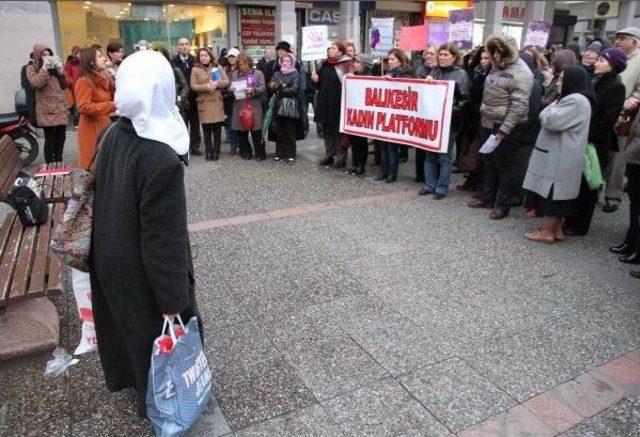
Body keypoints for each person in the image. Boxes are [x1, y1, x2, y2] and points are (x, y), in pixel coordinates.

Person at [91, 50, 201, 419]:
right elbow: (163, 241)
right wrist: (174, 301)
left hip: (111, 252)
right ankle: (162, 406)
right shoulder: (161, 158)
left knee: (130, 331)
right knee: (157, 335)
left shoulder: (112, 133)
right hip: (141, 266)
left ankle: (140, 389)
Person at [522, 65, 593, 243]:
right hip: (565, 154)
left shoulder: (575, 100)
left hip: (559, 155)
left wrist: (548, 108)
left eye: (562, 79)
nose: (559, 82)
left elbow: (551, 120)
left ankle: (546, 232)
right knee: (561, 197)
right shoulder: (579, 99)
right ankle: (557, 230)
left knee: (552, 195)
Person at [467, 35, 533, 220]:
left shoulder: (521, 72)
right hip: (488, 120)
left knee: (504, 166)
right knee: (488, 162)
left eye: (498, 52)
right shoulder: (496, 68)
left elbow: (519, 105)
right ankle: (487, 197)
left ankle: (502, 205)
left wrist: (505, 129)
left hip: (507, 126)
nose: (494, 56)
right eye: (492, 51)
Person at [565, 48, 626, 236]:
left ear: (613, 65)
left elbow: (607, 119)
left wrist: (586, 133)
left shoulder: (616, 86)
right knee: (577, 180)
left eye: (602, 60)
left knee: (589, 183)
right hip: (583, 136)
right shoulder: (594, 79)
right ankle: (570, 218)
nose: (597, 62)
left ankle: (580, 225)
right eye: (598, 59)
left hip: (596, 142)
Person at [419, 43, 469, 199]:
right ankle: (429, 185)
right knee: (430, 155)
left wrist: (451, 109)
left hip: (449, 121)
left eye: (446, 55)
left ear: (454, 57)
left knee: (444, 156)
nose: (442, 58)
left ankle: (441, 188)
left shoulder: (460, 74)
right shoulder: (433, 72)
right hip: (432, 119)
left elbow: (465, 99)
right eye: (440, 54)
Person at [603, 27, 640, 213]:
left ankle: (612, 195)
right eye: (616, 38)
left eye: (622, 38)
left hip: (625, 117)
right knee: (602, 152)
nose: (617, 42)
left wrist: (623, 104)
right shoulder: (612, 56)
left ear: (634, 42)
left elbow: (639, 93)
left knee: (617, 158)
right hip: (606, 112)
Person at [375, 48, 413, 183]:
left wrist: (393, 81)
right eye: (389, 59)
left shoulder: (407, 74)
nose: (389, 62)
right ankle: (383, 171)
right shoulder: (389, 72)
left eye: (392, 59)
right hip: (386, 114)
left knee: (391, 146)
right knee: (383, 144)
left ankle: (392, 173)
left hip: (397, 116)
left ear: (400, 60)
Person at [312, 41, 353, 168]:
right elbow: (318, 84)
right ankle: (329, 154)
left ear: (340, 51)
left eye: (333, 48)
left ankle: (341, 157)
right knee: (327, 129)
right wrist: (314, 78)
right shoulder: (324, 64)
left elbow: (351, 84)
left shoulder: (347, 64)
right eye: (330, 48)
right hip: (325, 102)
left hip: (339, 103)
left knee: (339, 131)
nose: (330, 50)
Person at [75, 46, 116, 170]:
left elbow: (116, 94)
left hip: (104, 124)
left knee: (106, 164)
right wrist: (112, 105)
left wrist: (110, 75)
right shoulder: (83, 81)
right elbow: (84, 107)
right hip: (91, 129)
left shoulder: (102, 78)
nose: (104, 59)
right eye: (100, 56)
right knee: (95, 165)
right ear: (91, 62)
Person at [27, 44, 68, 163]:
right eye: (43, 55)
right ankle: (50, 165)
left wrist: (61, 72)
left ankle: (59, 162)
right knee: (50, 139)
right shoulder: (31, 68)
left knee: (61, 138)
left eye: (49, 54)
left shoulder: (54, 68)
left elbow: (65, 85)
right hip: (46, 110)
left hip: (60, 108)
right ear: (37, 56)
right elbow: (36, 83)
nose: (47, 57)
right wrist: (44, 68)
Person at [457, 47, 491, 192]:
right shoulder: (474, 73)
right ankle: (471, 178)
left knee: (479, 151)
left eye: (486, 58)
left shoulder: (491, 75)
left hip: (482, 116)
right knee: (469, 148)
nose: (483, 61)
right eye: (481, 58)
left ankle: (478, 182)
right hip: (470, 116)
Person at [190, 47, 229, 161]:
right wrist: (205, 87)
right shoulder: (195, 69)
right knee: (206, 130)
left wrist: (217, 84)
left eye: (205, 55)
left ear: (210, 56)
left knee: (217, 129)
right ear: (199, 57)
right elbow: (193, 86)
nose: (203, 57)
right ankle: (208, 151)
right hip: (204, 102)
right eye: (201, 55)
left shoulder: (217, 67)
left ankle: (216, 151)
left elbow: (226, 81)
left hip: (217, 101)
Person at [229, 53, 266, 160]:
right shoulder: (235, 73)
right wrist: (230, 89)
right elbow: (230, 88)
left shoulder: (258, 73)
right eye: (240, 64)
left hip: (254, 105)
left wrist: (253, 90)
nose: (243, 67)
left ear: (250, 63)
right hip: (239, 105)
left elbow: (263, 87)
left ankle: (259, 153)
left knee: (256, 131)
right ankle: (246, 152)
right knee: (241, 131)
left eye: (245, 64)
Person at [171, 37, 202, 155]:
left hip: (194, 97)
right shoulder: (173, 61)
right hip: (180, 98)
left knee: (195, 123)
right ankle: (183, 147)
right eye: (181, 44)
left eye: (186, 44)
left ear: (189, 46)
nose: (184, 46)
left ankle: (195, 146)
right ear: (178, 47)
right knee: (182, 124)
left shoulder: (195, 60)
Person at [414, 45, 439, 182]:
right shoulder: (420, 69)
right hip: (421, 111)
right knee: (420, 145)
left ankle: (432, 175)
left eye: (432, 53)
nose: (429, 56)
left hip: (434, 112)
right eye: (427, 53)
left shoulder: (440, 70)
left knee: (432, 145)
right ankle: (420, 174)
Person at [345, 54, 374, 175]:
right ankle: (355, 163)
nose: (355, 64)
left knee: (361, 141)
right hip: (353, 113)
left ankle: (361, 165)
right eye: (354, 62)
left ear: (364, 64)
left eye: (357, 62)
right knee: (353, 140)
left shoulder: (369, 77)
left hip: (363, 114)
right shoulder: (353, 76)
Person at [269, 52, 300, 162]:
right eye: (284, 61)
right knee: (280, 130)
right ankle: (279, 153)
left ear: (292, 62)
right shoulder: (277, 73)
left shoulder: (295, 74)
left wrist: (280, 89)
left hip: (290, 105)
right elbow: (271, 85)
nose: (285, 63)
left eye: (288, 61)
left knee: (290, 131)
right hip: (278, 105)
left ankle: (291, 154)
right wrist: (276, 86)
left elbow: (295, 89)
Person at [156, 47, 189, 118]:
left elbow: (185, 87)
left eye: (161, 56)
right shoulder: (152, 73)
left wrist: (179, 99)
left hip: (176, 108)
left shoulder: (175, 70)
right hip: (160, 110)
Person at [223, 48, 240, 155]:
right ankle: (233, 146)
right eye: (230, 57)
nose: (231, 59)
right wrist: (227, 89)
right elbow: (221, 84)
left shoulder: (242, 69)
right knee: (230, 124)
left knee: (240, 123)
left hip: (240, 99)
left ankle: (241, 145)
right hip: (228, 100)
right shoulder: (225, 70)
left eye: (233, 56)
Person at [64, 45, 81, 126]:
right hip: (74, 86)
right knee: (76, 104)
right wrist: (72, 82)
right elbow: (66, 74)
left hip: (83, 85)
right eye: (77, 53)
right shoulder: (69, 62)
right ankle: (76, 120)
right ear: (74, 54)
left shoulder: (83, 62)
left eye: (80, 52)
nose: (79, 54)